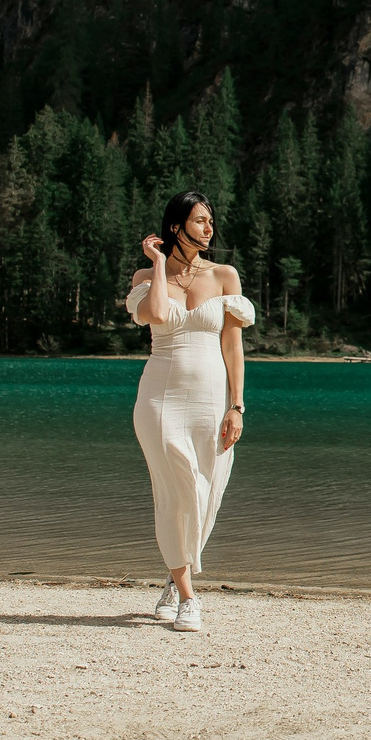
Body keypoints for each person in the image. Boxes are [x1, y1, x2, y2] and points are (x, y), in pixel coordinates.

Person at [129, 190, 255, 632]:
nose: (209, 228)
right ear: (176, 226)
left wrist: (237, 406)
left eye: (211, 221)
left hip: (212, 400)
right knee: (176, 490)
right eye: (200, 221)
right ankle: (188, 597)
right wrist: (160, 264)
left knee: (205, 494)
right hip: (159, 398)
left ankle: (171, 578)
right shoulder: (147, 275)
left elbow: (233, 347)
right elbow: (157, 313)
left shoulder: (224, 276)